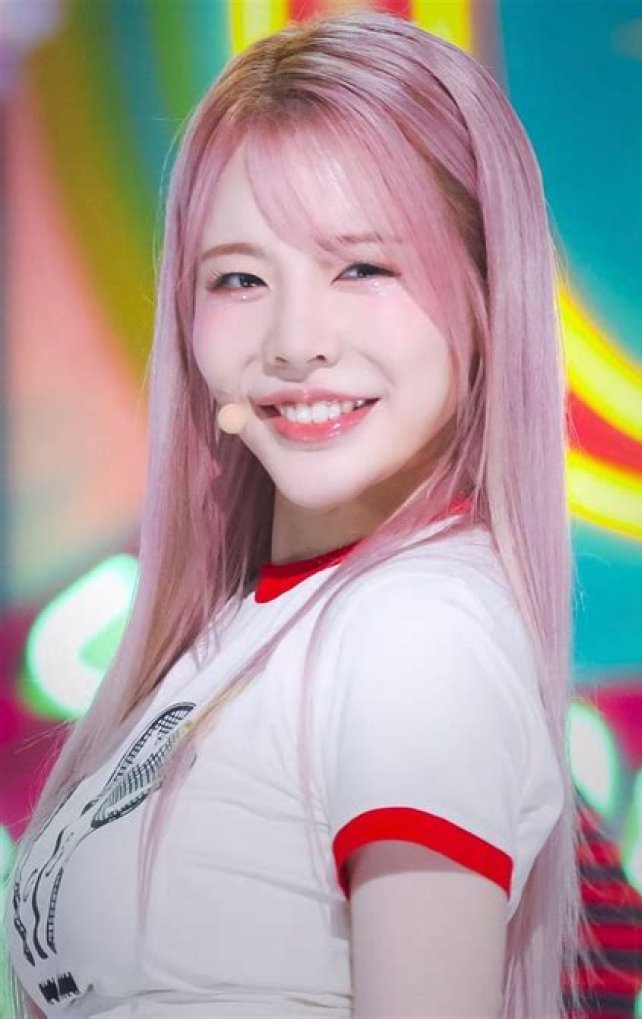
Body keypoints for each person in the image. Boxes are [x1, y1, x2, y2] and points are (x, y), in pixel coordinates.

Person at [2, 10, 591, 1017]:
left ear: (485, 295)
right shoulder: (248, 629)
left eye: (362, 267)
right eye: (239, 277)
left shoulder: (417, 631)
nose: (294, 339)